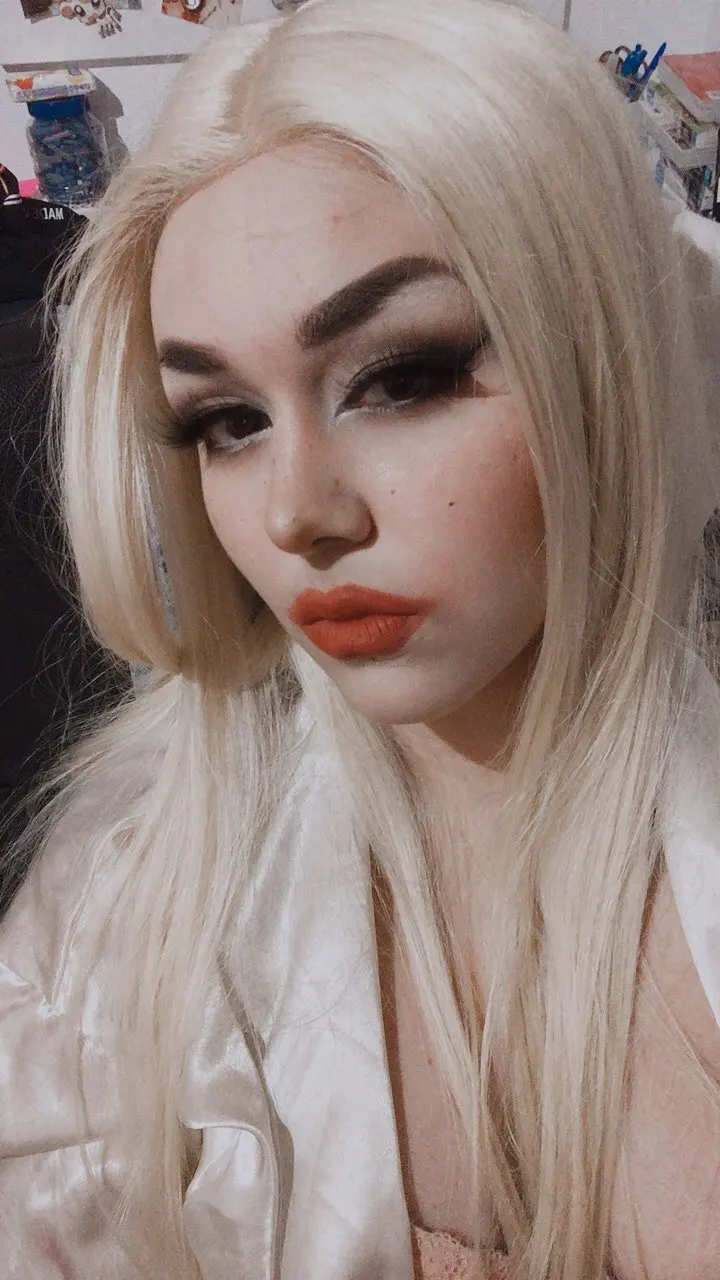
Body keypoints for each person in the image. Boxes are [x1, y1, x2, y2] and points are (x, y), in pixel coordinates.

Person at [1, 1, 719, 1277]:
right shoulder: (123, 912)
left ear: (600, 356)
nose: (298, 513)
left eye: (403, 375)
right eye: (227, 420)